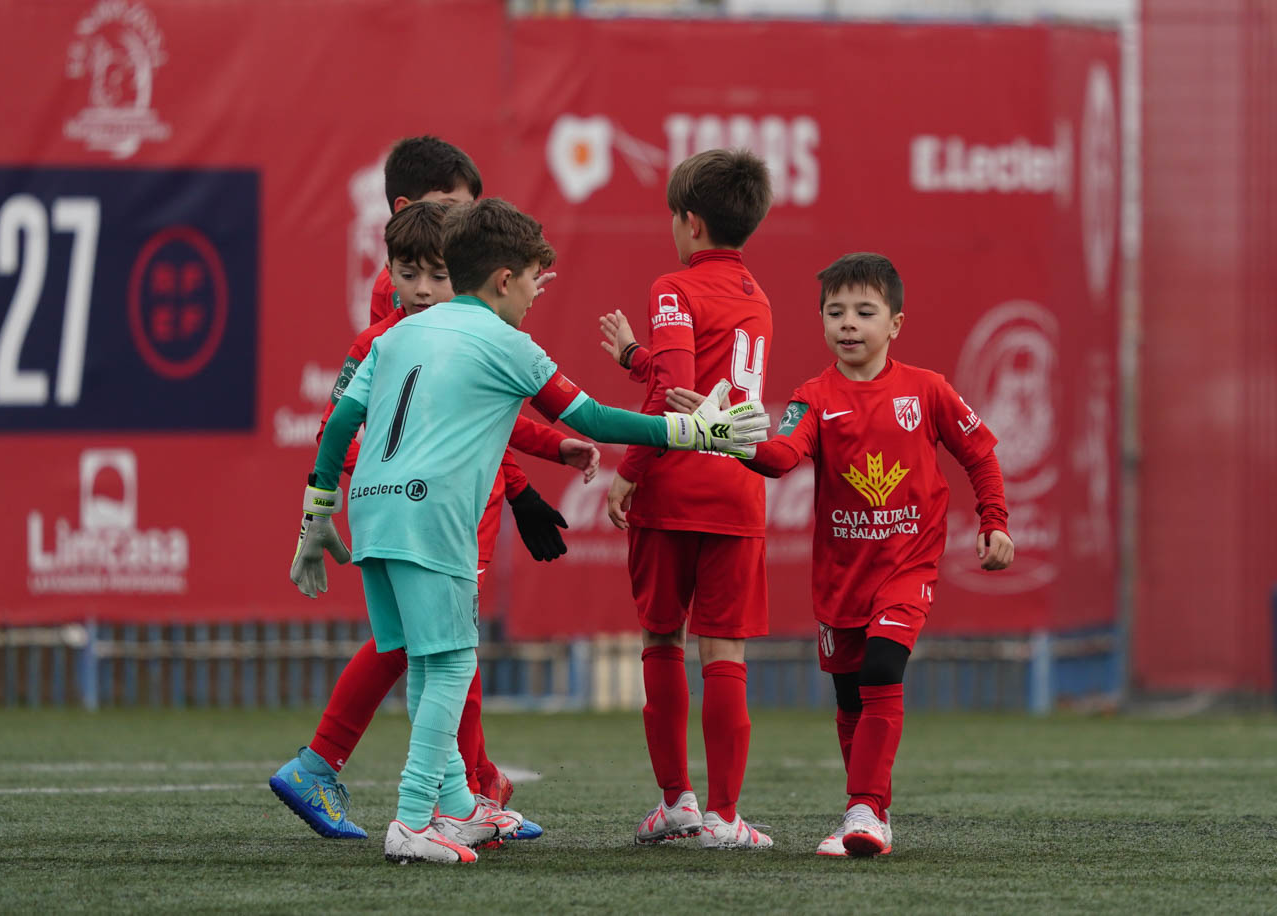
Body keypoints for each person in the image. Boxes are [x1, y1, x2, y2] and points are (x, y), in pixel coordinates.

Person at [288, 198, 770, 865]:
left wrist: (317, 511)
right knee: (453, 659)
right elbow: (595, 419)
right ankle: (410, 819)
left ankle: (456, 805)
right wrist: (698, 430)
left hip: (370, 508)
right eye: (536, 283)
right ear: (504, 280)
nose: (536, 300)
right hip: (433, 515)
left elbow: (342, 423)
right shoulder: (505, 342)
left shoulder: (396, 334)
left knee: (425, 658)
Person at [269, 141, 586, 843]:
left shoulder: (441, 296)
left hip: (437, 492)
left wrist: (541, 455)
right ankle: (435, 798)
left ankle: (462, 789)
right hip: (427, 499)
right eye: (458, 212)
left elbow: (480, 409)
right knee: (439, 648)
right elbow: (398, 420)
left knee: (430, 647)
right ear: (411, 219)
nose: (429, 279)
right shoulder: (417, 310)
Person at [665, 252, 1014, 858]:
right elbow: (779, 456)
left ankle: (866, 812)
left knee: (882, 670)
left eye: (864, 311)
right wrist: (725, 433)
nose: (848, 323)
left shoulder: (927, 390)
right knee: (850, 699)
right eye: (835, 312)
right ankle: (868, 807)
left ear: (895, 324)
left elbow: (979, 453)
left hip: (908, 567)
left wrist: (995, 521)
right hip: (840, 575)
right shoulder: (813, 397)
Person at [597, 148, 776, 849]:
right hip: (737, 489)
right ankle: (728, 818)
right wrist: (637, 354)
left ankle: (677, 803)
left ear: (691, 222)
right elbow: (691, 379)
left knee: (662, 639)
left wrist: (629, 470)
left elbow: (667, 394)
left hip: (673, 488)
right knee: (724, 651)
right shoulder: (758, 297)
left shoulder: (674, 288)